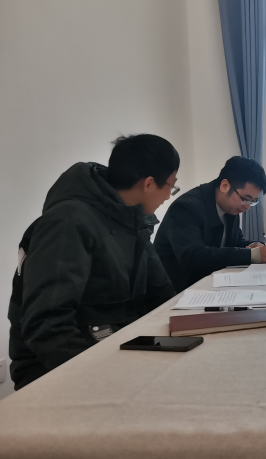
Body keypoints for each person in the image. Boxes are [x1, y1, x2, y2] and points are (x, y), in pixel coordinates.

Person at [8, 134, 180, 390]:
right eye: (171, 186)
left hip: (118, 345)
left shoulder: (134, 222)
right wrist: (103, 379)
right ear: (149, 183)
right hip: (59, 367)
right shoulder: (67, 222)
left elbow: (161, 296)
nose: (168, 196)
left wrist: (188, 328)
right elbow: (47, 325)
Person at [154, 156, 266, 293]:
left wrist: (255, 246)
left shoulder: (230, 207)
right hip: (178, 291)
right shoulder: (186, 207)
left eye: (253, 201)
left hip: (211, 283)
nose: (247, 206)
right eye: (245, 199)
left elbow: (235, 242)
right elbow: (192, 256)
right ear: (225, 186)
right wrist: (251, 255)